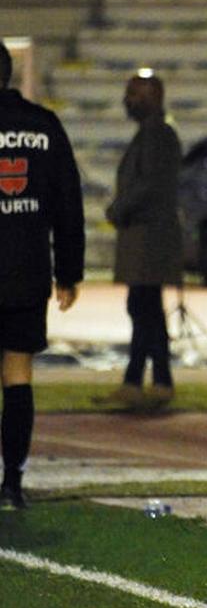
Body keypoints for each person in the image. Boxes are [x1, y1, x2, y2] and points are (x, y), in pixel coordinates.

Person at [0, 41, 85, 508]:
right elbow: (67, 205)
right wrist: (69, 272)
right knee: (18, 373)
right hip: (26, 272)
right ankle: (12, 479)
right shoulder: (44, 126)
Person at [98, 72, 183, 409]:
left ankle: (140, 380)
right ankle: (156, 380)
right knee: (147, 308)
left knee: (143, 306)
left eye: (135, 94)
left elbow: (148, 185)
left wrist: (118, 208)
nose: (128, 100)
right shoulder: (153, 134)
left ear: (154, 97)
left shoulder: (157, 135)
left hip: (150, 234)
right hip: (148, 234)